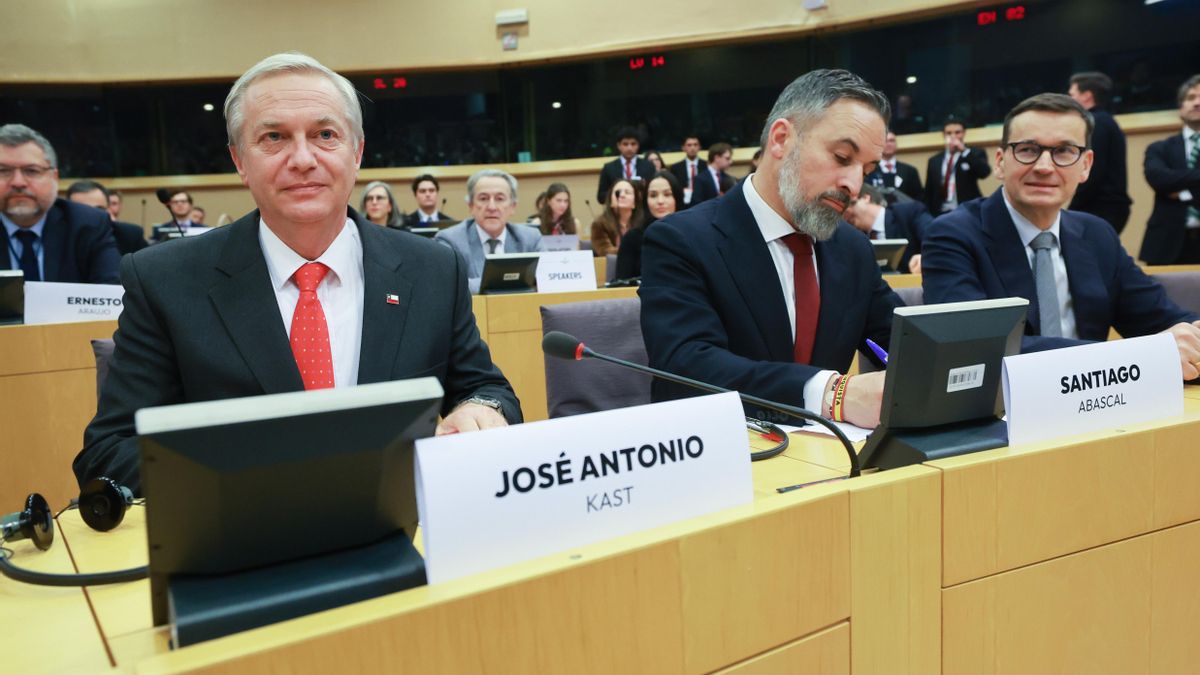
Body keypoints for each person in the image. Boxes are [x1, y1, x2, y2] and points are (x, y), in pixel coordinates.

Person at [76, 53, 520, 493]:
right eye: (274, 137)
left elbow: (486, 387)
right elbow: (109, 452)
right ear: (239, 161)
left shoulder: (432, 268)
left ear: (357, 151)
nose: (303, 158)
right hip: (246, 541)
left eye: (325, 134)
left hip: (399, 534)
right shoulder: (165, 280)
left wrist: (480, 409)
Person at [640, 69, 901, 428]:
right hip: (726, 458)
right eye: (842, 157)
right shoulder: (681, 240)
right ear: (781, 139)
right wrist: (831, 394)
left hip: (834, 464)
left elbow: (904, 343)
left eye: (867, 170)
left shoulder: (852, 249)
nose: (854, 185)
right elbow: (687, 368)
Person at [921, 93, 1200, 378]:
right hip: (1001, 412)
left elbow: (1162, 319)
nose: (1044, 166)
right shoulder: (952, 234)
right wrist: (1142, 354)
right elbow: (974, 347)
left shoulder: (1096, 234)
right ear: (1001, 162)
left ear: (1086, 166)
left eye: (1064, 151)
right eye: (1028, 149)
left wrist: (1191, 339)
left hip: (1097, 411)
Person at [0, 124, 120, 284]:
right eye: (3, 171)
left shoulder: (88, 224)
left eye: (32, 171)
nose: (18, 182)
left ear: (54, 177)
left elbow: (111, 294)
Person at [434, 168, 544, 293]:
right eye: (483, 198)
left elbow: (547, 280)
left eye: (500, 199)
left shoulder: (531, 238)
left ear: (513, 206)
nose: (492, 207)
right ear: (471, 206)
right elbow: (448, 286)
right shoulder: (450, 241)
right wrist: (512, 283)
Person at [1141, 75, 1200, 265]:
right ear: (1181, 107)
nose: (1197, 103)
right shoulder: (1159, 148)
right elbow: (1159, 179)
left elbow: (1169, 183)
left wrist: (1181, 191)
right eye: (1190, 98)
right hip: (1166, 246)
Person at [1067, 72, 1132, 233]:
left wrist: (1072, 209)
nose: (1068, 100)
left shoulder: (1096, 124)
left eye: (1072, 95)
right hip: (1109, 207)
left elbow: (1093, 170)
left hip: (1100, 208)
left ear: (1087, 96)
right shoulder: (1106, 120)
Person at [841, 184, 930, 273]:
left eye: (847, 206)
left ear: (865, 198)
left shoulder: (909, 212)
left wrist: (926, 258)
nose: (844, 216)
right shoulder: (854, 238)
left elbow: (935, 238)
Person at [615, 170, 680, 279]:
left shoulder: (692, 234)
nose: (660, 201)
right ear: (646, 200)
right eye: (653, 195)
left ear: (677, 198)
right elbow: (621, 284)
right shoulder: (633, 237)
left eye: (667, 194)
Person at [924, 118, 991, 215]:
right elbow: (929, 191)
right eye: (949, 133)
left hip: (967, 211)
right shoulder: (934, 160)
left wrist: (964, 151)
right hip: (941, 212)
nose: (953, 136)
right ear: (943, 135)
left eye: (957, 132)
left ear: (964, 133)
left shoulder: (974, 153)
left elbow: (984, 173)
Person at [65, 180, 148, 256]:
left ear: (108, 209)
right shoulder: (58, 238)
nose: (91, 216)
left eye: (98, 210)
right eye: (83, 211)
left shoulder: (129, 235)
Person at [596, 127, 654, 203]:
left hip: (643, 210)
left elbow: (653, 192)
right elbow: (601, 197)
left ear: (638, 146)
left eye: (633, 144)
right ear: (618, 146)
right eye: (625, 144)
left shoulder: (648, 167)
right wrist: (618, 192)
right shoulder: (609, 168)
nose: (629, 148)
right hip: (618, 210)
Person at [865, 131, 924, 205]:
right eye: (885, 141)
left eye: (892, 141)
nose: (889, 144)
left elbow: (918, 200)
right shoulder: (869, 171)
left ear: (896, 144)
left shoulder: (910, 171)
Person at [589, 178, 644, 257]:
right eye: (617, 192)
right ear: (611, 201)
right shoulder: (599, 224)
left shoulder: (643, 223)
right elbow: (605, 252)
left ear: (635, 202)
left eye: (627, 192)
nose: (622, 195)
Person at [669, 136, 707, 209]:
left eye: (695, 145)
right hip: (683, 204)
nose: (692, 148)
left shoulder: (706, 166)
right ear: (683, 148)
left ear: (699, 147)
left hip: (703, 202)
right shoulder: (675, 168)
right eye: (689, 145)